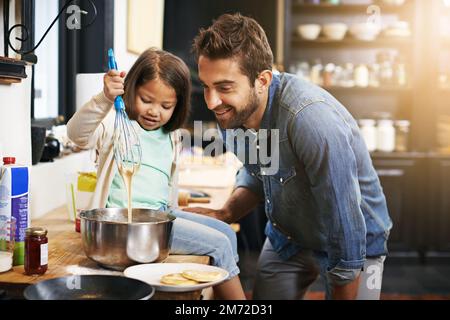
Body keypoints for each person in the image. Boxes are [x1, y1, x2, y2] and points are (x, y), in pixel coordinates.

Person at [185, 13, 393, 300]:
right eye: (207, 86)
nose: (211, 101)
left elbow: (344, 223)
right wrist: (225, 213)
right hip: (289, 236)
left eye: (224, 87)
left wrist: (347, 272)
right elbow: (259, 172)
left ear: (262, 79)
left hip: (355, 243)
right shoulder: (233, 113)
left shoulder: (311, 120)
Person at [67, 48, 245, 300]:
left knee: (226, 232)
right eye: (146, 100)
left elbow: (164, 188)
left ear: (178, 105)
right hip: (126, 226)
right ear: (130, 90)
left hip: (159, 216)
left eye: (166, 105)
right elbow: (76, 134)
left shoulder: (170, 136)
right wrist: (104, 98)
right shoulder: (116, 124)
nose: (154, 111)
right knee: (220, 244)